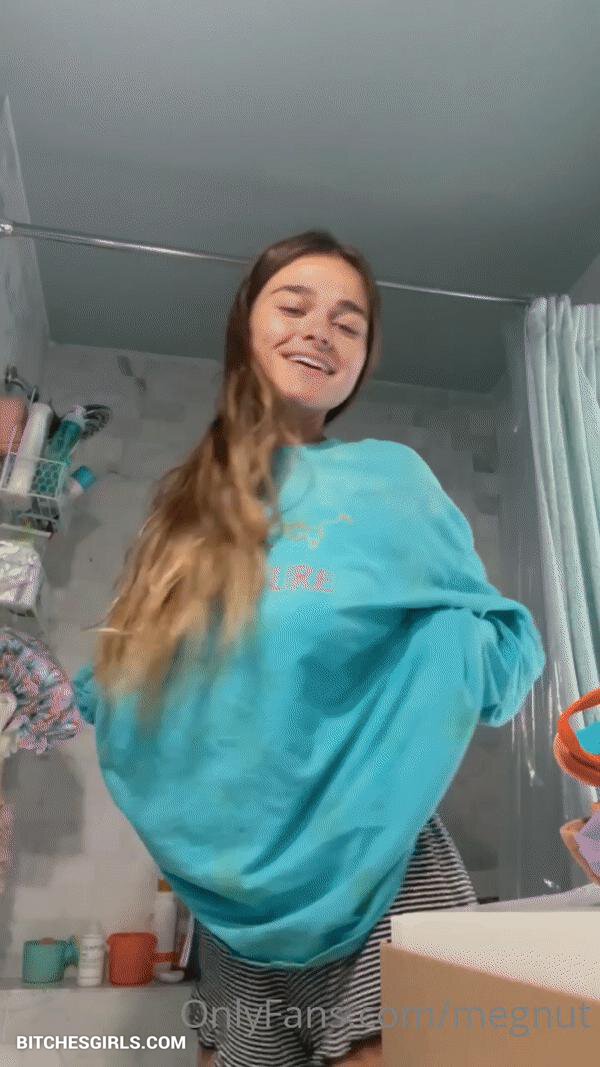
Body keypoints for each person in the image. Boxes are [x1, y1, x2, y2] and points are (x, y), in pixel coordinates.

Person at [72, 230, 546, 1066]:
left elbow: (505, 664)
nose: (320, 330)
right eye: (293, 306)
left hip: (386, 881)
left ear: (361, 361)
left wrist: (448, 648)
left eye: (348, 323)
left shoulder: (391, 482)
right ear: (244, 328)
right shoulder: (182, 514)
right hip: (232, 913)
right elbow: (129, 685)